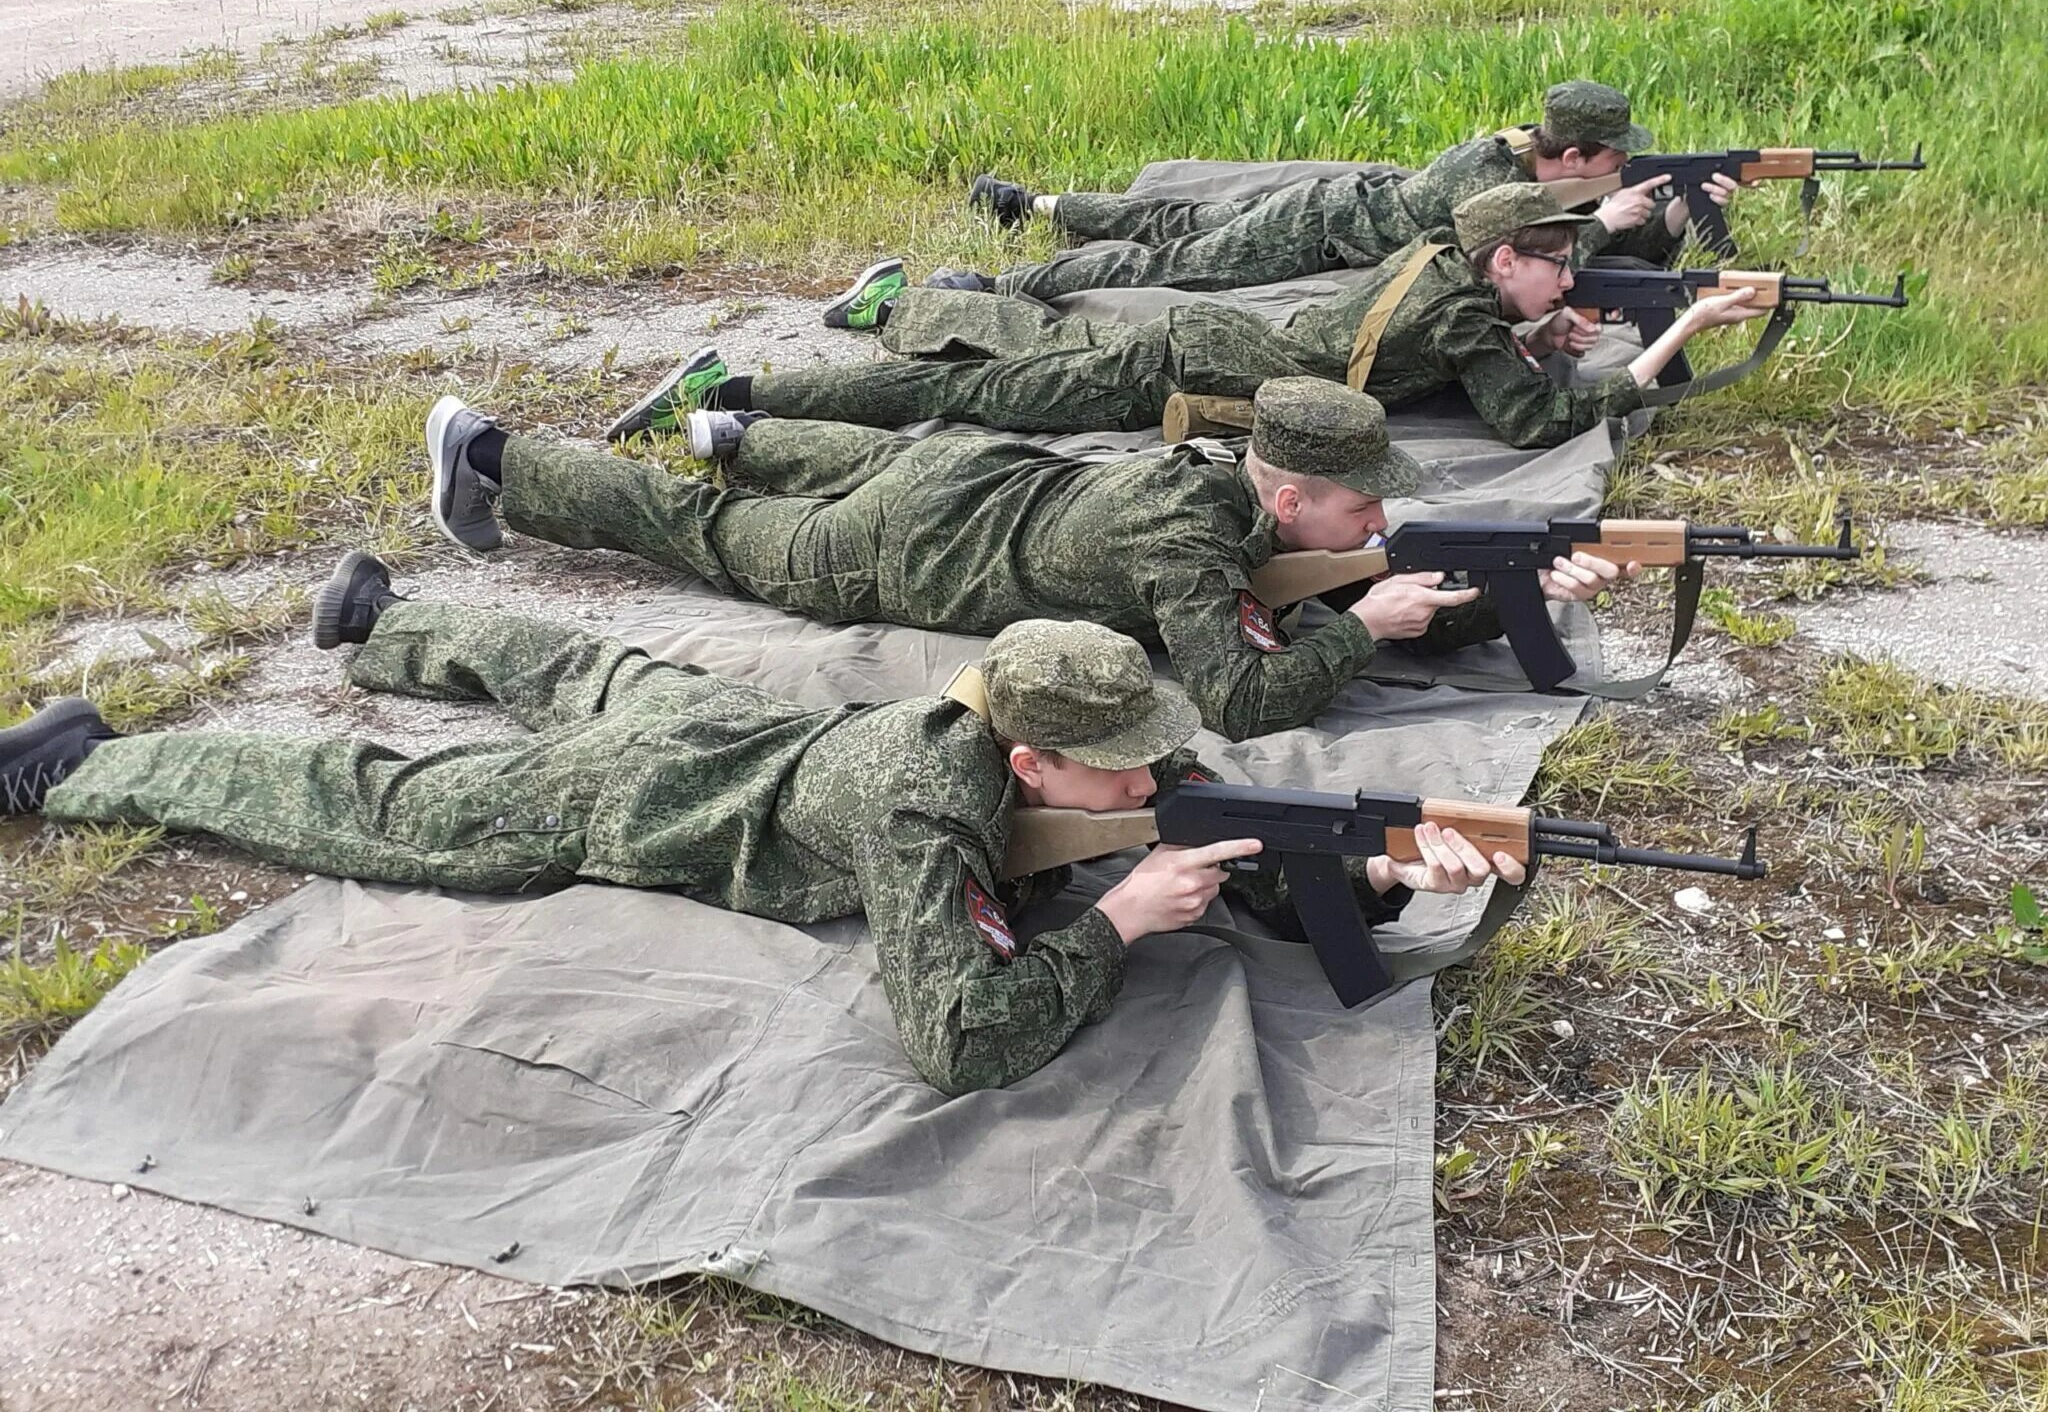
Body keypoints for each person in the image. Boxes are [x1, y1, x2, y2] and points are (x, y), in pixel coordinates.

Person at [2, 605, 1526, 1095]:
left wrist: (1385, 872)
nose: (1161, 777)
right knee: (385, 806)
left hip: (752, 731)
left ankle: (392, 618)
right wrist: (1117, 922)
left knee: (593, 665)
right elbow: (957, 1039)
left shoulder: (1114, 736)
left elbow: (1246, 850)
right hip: (660, 805)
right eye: (1122, 774)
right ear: (1026, 759)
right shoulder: (926, 812)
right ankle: (94, 762)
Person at [429, 377, 1628, 741]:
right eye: (1363, 506)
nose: (1376, 528)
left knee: (834, 460)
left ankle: (747, 435)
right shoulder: (1189, 536)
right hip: (898, 550)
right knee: (692, 535)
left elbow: (1367, 592)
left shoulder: (1238, 497)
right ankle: (493, 458)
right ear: (1295, 493)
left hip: (967, 471)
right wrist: (1362, 632)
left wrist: (1499, 592)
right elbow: (1241, 696)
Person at [611, 185, 1772, 452]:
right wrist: (1674, 343)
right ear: (1502, 258)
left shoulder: (1439, 267)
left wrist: (1525, 334)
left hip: (1192, 349)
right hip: (1179, 376)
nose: (1570, 287)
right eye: (1554, 271)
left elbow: (1459, 347)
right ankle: (736, 393)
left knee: (1008, 358)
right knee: (959, 398)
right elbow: (1530, 427)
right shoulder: (1471, 320)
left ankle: (904, 304)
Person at [958, 79, 1738, 301]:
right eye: (1609, 159)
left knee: (1180, 214)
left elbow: (1620, 231)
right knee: (1169, 261)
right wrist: (1602, 223)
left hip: (1345, 200)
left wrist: (1673, 212)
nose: (1617, 169)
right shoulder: (1487, 181)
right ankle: (996, 281)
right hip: (1319, 226)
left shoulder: (1544, 170)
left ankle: (1035, 205)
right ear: (1571, 155)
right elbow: (1491, 258)